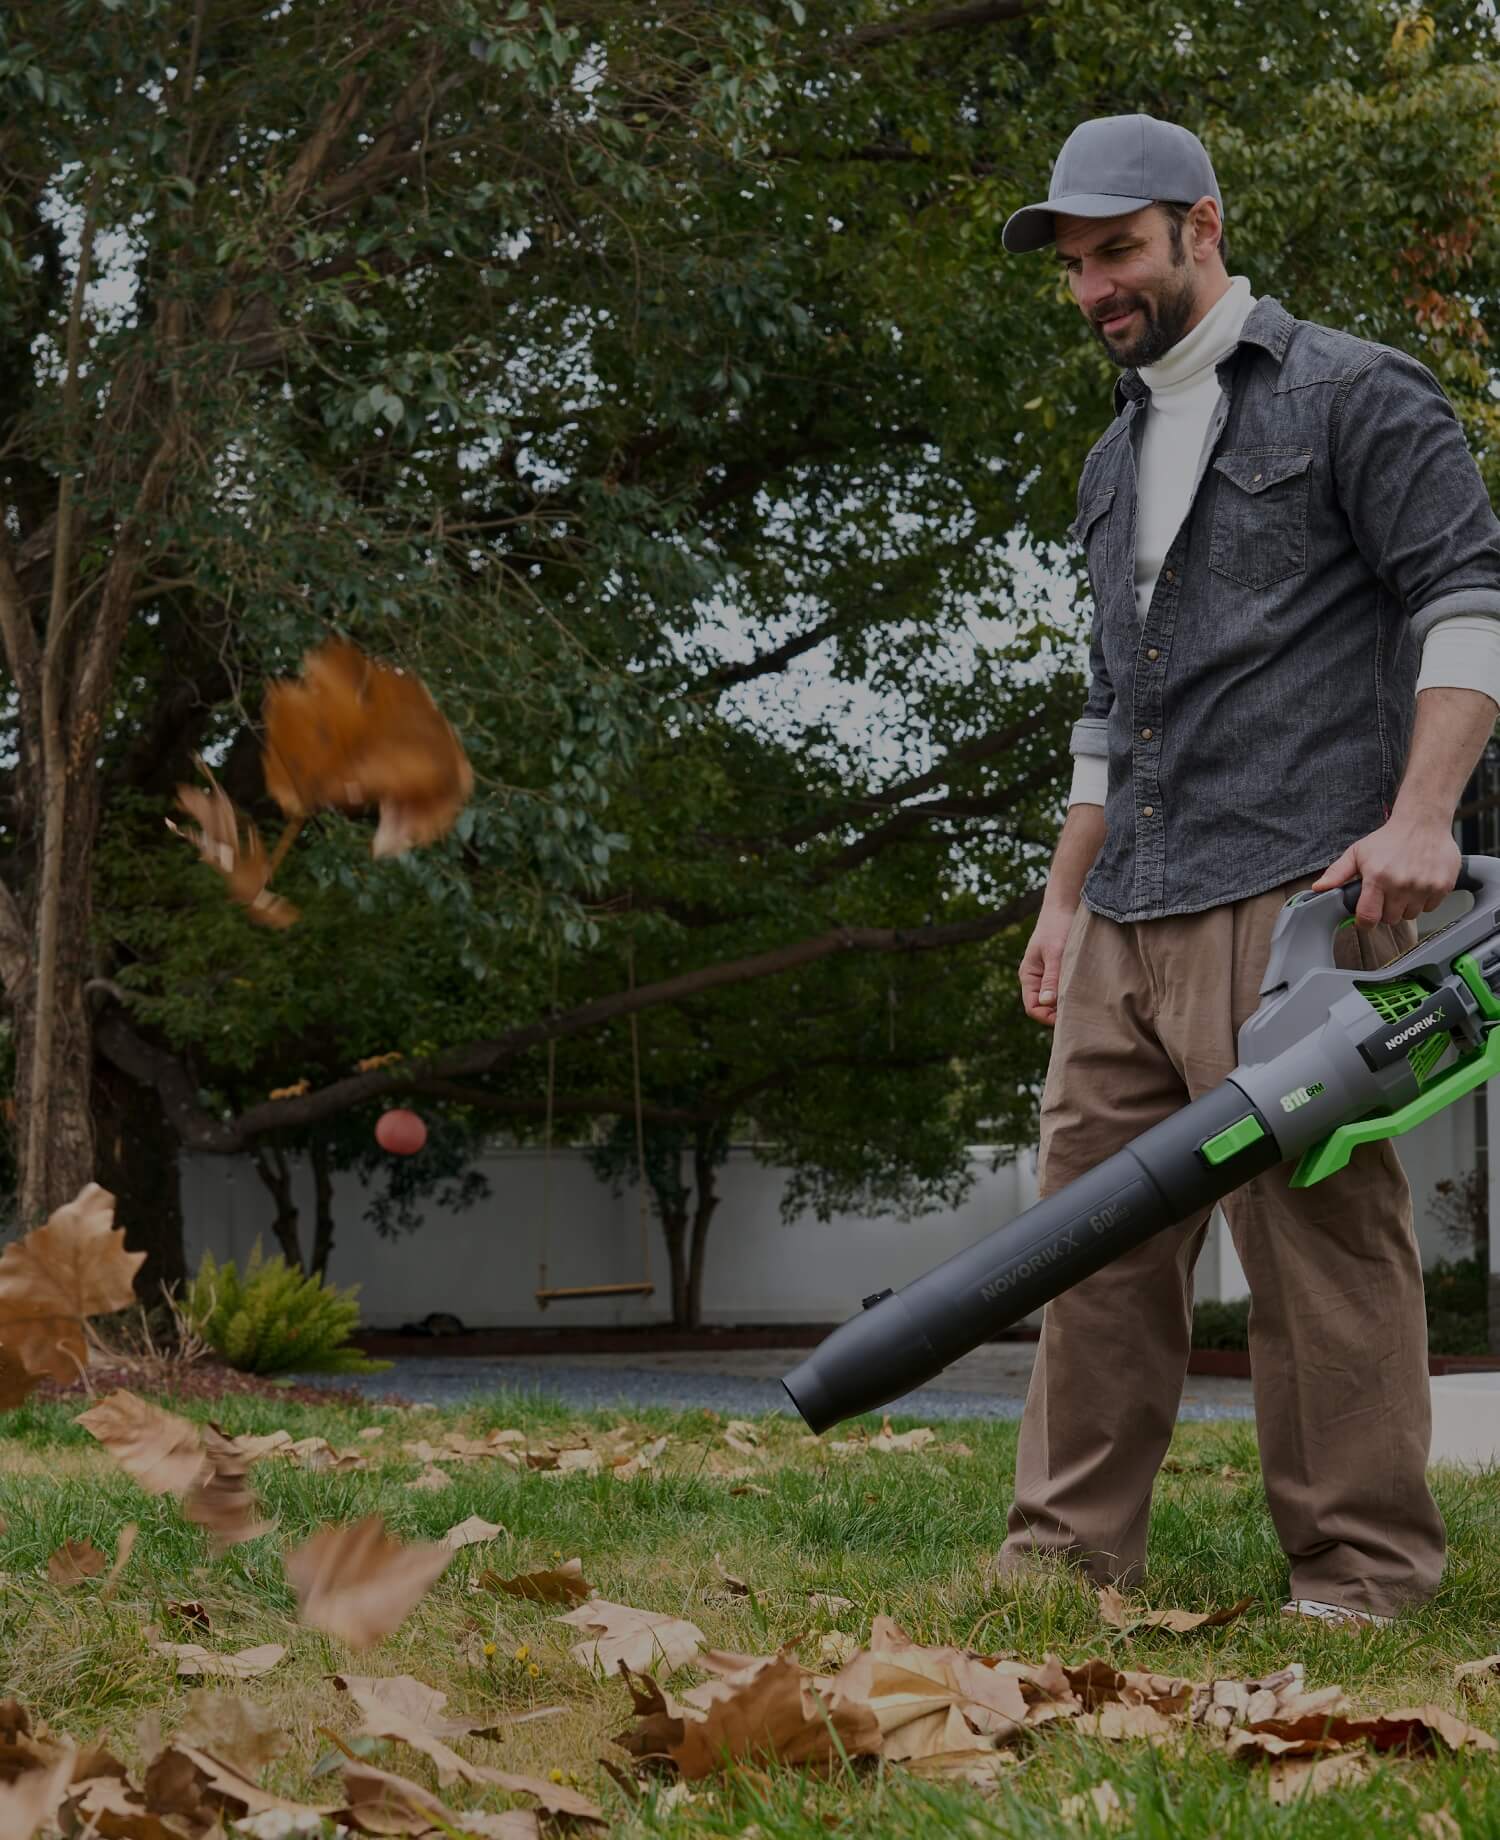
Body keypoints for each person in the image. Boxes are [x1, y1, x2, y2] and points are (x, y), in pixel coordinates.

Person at [989, 114, 1500, 1629]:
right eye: (1075, 265)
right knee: (1088, 1250)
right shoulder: (1111, 458)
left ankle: (1361, 1571)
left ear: (1202, 225)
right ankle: (1064, 1564)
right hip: (1126, 914)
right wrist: (1062, 899)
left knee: (1316, 1245)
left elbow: (1468, 595)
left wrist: (1426, 817)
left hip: (1292, 901)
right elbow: (1111, 707)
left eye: (1120, 251)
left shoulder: (1354, 394)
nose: (1096, 287)